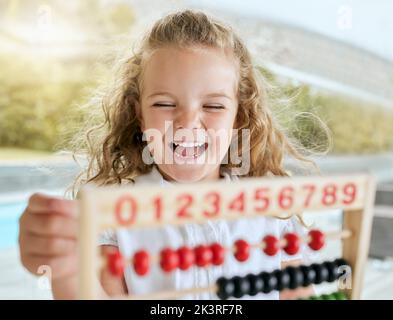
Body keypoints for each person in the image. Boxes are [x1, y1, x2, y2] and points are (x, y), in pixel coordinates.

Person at [19, 10, 323, 299]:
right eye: (164, 104)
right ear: (139, 116)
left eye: (213, 106)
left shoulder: (272, 211)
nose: (188, 123)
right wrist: (66, 270)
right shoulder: (114, 214)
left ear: (239, 118)